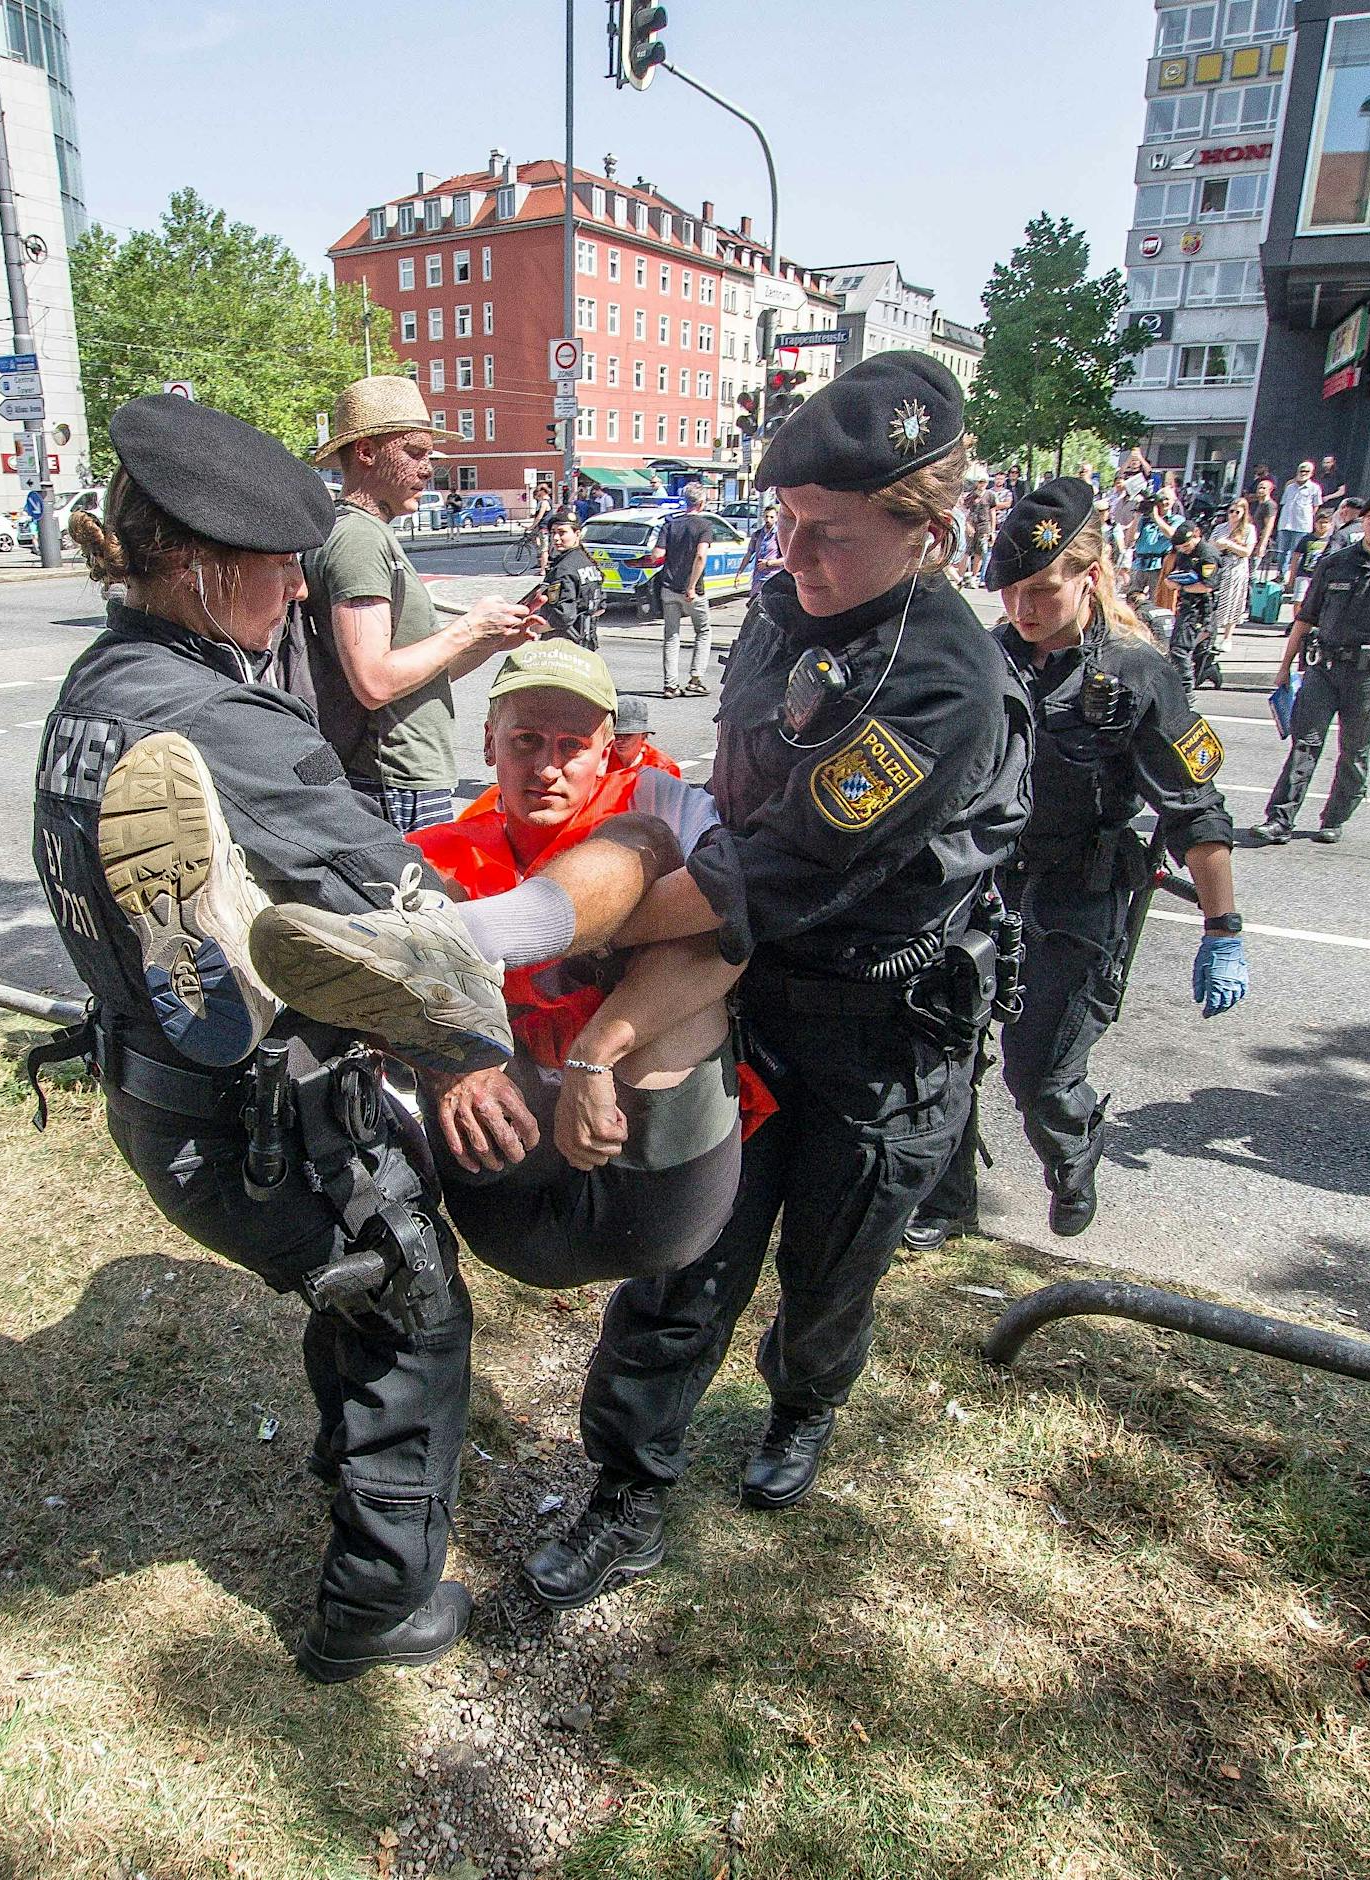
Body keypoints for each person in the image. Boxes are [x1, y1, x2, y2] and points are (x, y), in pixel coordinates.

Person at [32, 395, 535, 1683]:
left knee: (348, 1281)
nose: (297, 592)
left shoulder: (101, 686)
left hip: (156, 1101)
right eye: (280, 568)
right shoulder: (224, 723)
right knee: (409, 1298)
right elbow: (400, 898)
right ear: (204, 566)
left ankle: (339, 1459)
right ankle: (379, 1602)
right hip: (262, 1120)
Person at [523, 353, 1034, 1601]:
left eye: (830, 534)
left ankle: (803, 1403)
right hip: (747, 1000)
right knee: (679, 1255)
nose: (794, 557)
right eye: (784, 522)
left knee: (830, 1269)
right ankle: (627, 1490)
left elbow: (767, 869)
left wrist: (563, 928)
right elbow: (731, 792)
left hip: (883, 1030)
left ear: (925, 530)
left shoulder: (941, 679)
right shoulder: (778, 605)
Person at [907, 480, 1245, 1251]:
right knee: (948, 1045)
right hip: (986, 885)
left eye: (1041, 590)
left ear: (1087, 577)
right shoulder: (991, 658)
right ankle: (948, 1203)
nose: (1023, 609)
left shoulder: (1136, 673)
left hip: (1079, 895)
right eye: (1012, 592)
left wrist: (1222, 927)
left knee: (1040, 1074)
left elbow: (1196, 808)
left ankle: (1073, 1150)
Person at [410, 642, 745, 1290]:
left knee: (650, 847)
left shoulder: (661, 801)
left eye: (571, 747)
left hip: (654, 1196)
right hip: (511, 1183)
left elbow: (728, 937)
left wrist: (593, 1053)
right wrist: (445, 1066)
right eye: (527, 741)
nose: (548, 768)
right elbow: (347, 978)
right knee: (413, 903)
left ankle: (509, 936)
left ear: (607, 749)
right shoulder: (441, 852)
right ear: (489, 744)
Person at [302, 377, 533, 833]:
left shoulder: (370, 532)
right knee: (415, 904)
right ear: (366, 452)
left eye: (430, 455)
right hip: (393, 780)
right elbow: (373, 681)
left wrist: (487, 641)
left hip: (406, 775)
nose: (429, 468)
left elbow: (418, 673)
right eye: (415, 453)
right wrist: (467, 628)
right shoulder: (358, 538)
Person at [1254, 491, 1370, 847]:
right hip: (1324, 669)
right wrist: (1283, 668)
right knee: (1304, 744)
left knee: (1354, 750)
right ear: (1362, 522)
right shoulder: (1336, 562)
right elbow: (1305, 618)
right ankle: (1280, 819)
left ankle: (1335, 817)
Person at [655, 481, 714, 699]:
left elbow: (657, 554)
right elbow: (701, 556)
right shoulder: (704, 526)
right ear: (701, 502)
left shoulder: (670, 524)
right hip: (693, 590)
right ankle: (695, 679)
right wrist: (691, 586)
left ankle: (670, 685)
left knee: (671, 636)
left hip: (668, 587)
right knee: (703, 631)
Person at [1162, 520, 1222, 693]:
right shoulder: (1183, 554)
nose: (1184, 549)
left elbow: (1207, 585)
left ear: (1197, 535)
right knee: (1191, 648)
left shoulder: (1207, 555)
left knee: (1180, 648)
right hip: (1186, 604)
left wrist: (1180, 586)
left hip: (1201, 609)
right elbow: (1176, 574)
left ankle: (1186, 690)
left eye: (1186, 545)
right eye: (1180, 547)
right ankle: (1208, 670)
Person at [534, 508, 606, 648]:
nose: (555, 538)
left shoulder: (564, 569)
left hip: (562, 646)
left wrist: (534, 628)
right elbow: (601, 606)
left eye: (562, 532)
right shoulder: (587, 562)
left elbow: (563, 617)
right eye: (553, 532)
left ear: (577, 534)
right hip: (586, 642)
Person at [1210, 495, 1257, 649]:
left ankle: (1228, 637)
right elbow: (1211, 546)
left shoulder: (1249, 530)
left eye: (1237, 512)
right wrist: (1220, 545)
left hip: (1237, 569)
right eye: (1231, 511)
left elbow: (1247, 552)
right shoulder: (1219, 528)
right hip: (1219, 567)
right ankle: (1212, 634)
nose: (1233, 515)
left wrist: (1229, 545)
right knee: (1216, 602)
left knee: (1233, 601)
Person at [605, 694, 681, 776]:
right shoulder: (601, 758)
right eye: (615, 733)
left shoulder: (662, 768)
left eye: (628, 735)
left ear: (643, 735)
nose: (619, 740)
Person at [1274, 461, 1323, 579]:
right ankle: (1280, 575)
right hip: (1285, 523)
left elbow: (1316, 506)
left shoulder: (1315, 488)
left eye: (1307, 471)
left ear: (1311, 473)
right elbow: (1284, 503)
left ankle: (1293, 577)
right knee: (1282, 552)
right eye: (1302, 471)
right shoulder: (1289, 487)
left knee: (1297, 553)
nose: (1303, 473)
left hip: (1302, 525)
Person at [1287, 505, 1336, 610]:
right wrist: (1292, 577)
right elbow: (1296, 557)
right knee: (1299, 600)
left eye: (1326, 522)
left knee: (1317, 601)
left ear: (1331, 524)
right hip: (1304, 574)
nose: (1322, 525)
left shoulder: (1332, 540)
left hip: (1320, 576)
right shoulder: (1307, 538)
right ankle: (1295, 622)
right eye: (1320, 522)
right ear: (1315, 524)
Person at [738, 501, 786, 591]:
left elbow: (786, 559)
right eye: (766, 516)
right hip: (758, 579)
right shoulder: (757, 534)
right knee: (755, 604)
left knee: (770, 604)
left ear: (776, 518)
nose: (768, 520)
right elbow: (749, 554)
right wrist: (739, 572)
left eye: (771, 517)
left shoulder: (780, 535)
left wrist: (769, 563)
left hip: (773, 579)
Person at [1248, 475, 1278, 577]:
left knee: (1252, 574)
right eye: (1259, 488)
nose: (1260, 490)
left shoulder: (1269, 505)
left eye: (1263, 488)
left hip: (1260, 541)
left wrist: (1262, 544)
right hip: (1252, 540)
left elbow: (1269, 525)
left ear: (1270, 490)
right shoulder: (1259, 504)